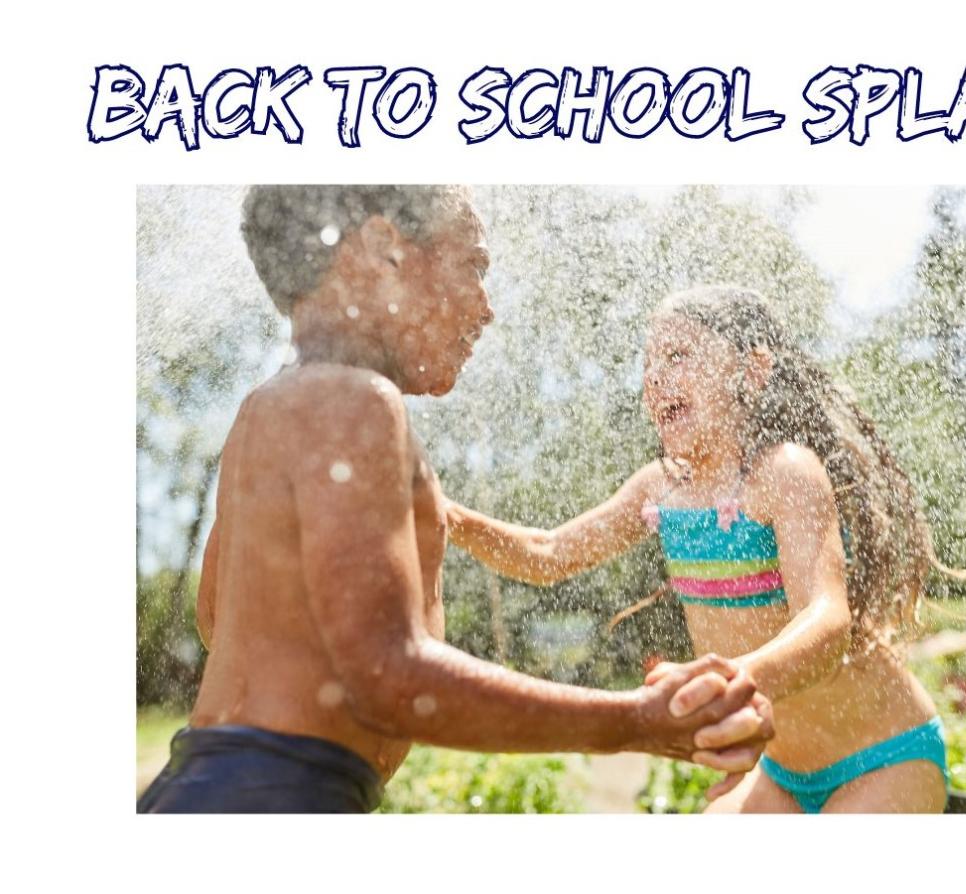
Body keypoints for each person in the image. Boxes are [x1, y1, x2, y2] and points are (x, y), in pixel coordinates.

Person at [137, 188, 773, 814]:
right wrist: (634, 721)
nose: (488, 307)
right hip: (275, 800)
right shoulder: (355, 401)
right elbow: (388, 676)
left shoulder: (270, 408)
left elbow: (218, 618)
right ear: (385, 248)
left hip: (218, 784)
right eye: (473, 265)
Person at [448, 284, 953, 813]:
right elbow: (546, 554)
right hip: (782, 774)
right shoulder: (658, 490)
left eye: (678, 354)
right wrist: (447, 515)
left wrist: (734, 681)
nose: (656, 376)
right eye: (648, 364)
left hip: (883, 758)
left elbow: (827, 622)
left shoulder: (783, 473)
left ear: (752, 372)